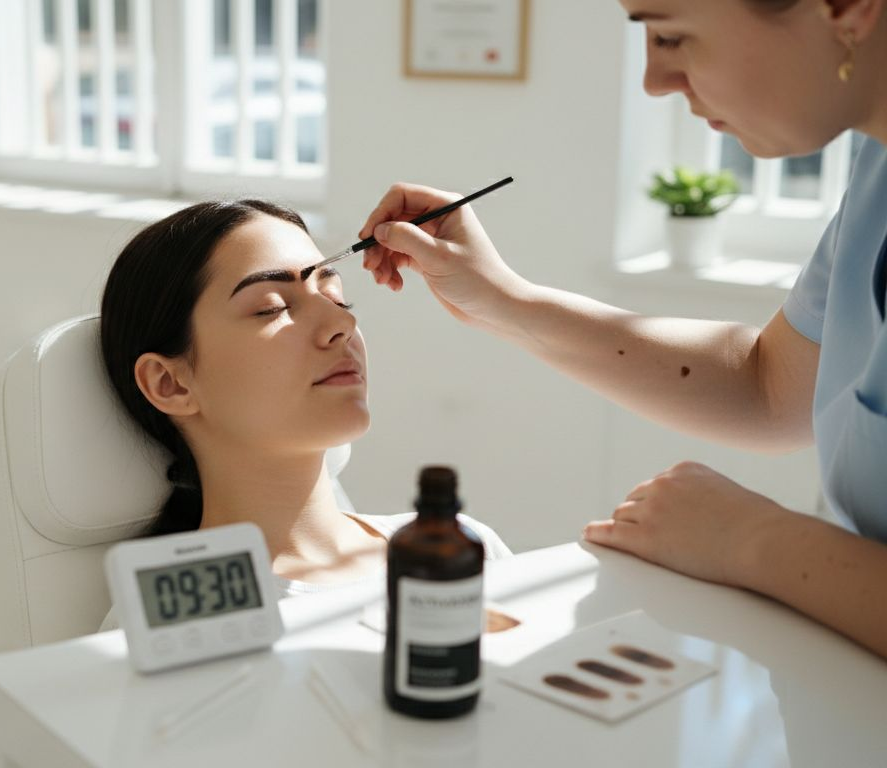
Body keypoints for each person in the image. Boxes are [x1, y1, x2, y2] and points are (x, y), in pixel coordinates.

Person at [357, 0, 887, 657]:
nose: (654, 81)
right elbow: (772, 386)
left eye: (671, 35)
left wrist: (753, 540)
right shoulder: (876, 174)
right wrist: (504, 300)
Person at [97, 200, 510, 632]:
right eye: (272, 307)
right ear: (170, 383)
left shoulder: (463, 549)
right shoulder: (163, 622)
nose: (340, 323)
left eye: (336, 297)